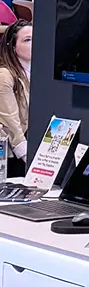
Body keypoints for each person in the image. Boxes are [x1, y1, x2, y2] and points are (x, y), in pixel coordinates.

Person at [0, 19, 32, 172]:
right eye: (27, 40)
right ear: (13, 47)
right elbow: (10, 120)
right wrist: (29, 159)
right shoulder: (4, 75)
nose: (34, 43)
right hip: (10, 154)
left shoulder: (38, 73)